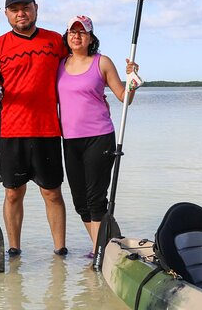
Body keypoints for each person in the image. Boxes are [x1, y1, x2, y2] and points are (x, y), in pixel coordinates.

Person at [0, 0, 70, 257]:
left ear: (36, 9)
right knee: (12, 194)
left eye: (26, 7)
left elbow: (79, 66)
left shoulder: (55, 41)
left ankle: (60, 250)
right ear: (6, 14)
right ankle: (14, 249)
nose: (21, 13)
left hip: (48, 130)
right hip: (11, 131)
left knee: (52, 193)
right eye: (14, 9)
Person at [56, 15, 139, 258]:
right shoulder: (60, 64)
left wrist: (133, 79)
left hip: (100, 136)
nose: (77, 36)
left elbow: (125, 98)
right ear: (67, 36)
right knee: (80, 201)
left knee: (95, 197)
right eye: (73, 31)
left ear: (91, 37)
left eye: (82, 32)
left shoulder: (102, 63)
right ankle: (100, 248)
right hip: (70, 139)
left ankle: (97, 251)